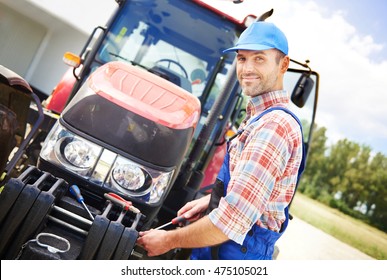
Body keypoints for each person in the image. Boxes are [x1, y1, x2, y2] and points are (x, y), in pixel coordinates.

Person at [137, 21, 305, 260]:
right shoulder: (258, 118)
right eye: (242, 58)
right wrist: (212, 200)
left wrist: (167, 240)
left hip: (236, 252)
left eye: (259, 59)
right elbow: (252, 191)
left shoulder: (273, 126)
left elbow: (232, 221)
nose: (247, 68)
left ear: (283, 65)